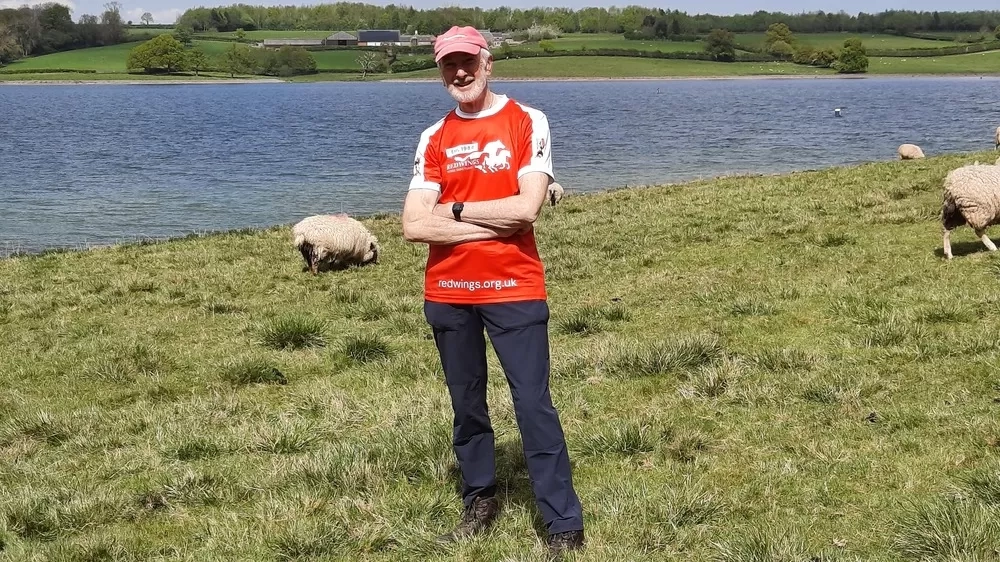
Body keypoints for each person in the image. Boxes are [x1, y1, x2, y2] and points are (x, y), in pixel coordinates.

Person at [400, 25, 585, 556]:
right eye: (448, 64)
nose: (459, 72)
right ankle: (479, 498)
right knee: (467, 406)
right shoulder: (434, 136)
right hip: (449, 289)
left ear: (488, 63)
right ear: (440, 72)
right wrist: (492, 221)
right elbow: (413, 225)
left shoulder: (527, 121)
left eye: (468, 62)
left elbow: (526, 208)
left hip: (513, 284)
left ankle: (562, 522)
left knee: (533, 404)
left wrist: (453, 209)